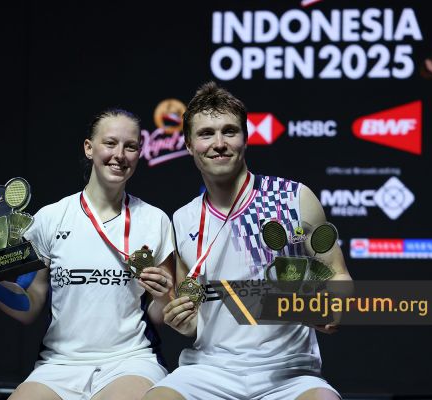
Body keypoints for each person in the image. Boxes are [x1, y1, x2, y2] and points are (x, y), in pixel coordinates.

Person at [143, 82, 352, 400]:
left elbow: (338, 273)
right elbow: (194, 318)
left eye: (229, 131)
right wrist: (182, 321)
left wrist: (334, 306)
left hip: (289, 373)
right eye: (206, 134)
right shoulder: (183, 219)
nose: (219, 144)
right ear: (188, 144)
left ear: (246, 137)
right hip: (209, 370)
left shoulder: (293, 198)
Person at [0, 109, 175, 400]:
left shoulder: (155, 221)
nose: (119, 155)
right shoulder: (50, 219)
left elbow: (159, 315)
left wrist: (163, 297)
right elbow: (29, 304)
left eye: (130, 146)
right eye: (110, 143)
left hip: (131, 360)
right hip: (59, 364)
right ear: (89, 148)